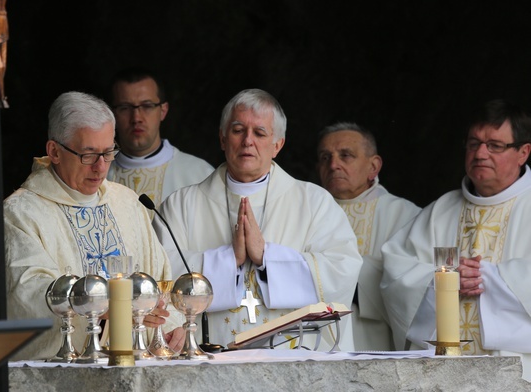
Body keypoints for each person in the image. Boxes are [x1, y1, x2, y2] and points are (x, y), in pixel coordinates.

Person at [0, 91, 183, 360]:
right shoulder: (20, 214)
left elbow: (158, 280)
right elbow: (27, 295)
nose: (100, 167)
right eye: (88, 155)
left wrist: (169, 328)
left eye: (108, 152)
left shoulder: (127, 204)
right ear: (54, 151)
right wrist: (103, 305)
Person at [154, 89, 362, 351]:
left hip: (296, 357)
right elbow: (159, 275)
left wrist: (267, 256)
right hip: (210, 355)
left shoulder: (314, 203)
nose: (247, 141)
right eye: (238, 130)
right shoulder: (181, 206)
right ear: (222, 138)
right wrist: (229, 260)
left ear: (278, 145)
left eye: (260, 133)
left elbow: (342, 270)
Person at [381, 99, 531, 379]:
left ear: (523, 152)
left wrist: (492, 277)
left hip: (518, 371)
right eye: (473, 143)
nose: (481, 153)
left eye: (495, 145)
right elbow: (395, 273)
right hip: (443, 370)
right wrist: (444, 281)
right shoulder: (441, 211)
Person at [316, 122, 421, 351]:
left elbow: (413, 284)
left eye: (346, 156)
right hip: (316, 341)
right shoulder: (307, 212)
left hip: (375, 344)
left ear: (373, 166)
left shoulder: (407, 216)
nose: (334, 165)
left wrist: (341, 275)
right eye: (325, 157)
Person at [106, 67, 214, 207]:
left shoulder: (200, 176)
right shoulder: (96, 174)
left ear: (163, 111)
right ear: (111, 114)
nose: (136, 118)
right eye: (125, 108)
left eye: (147, 106)